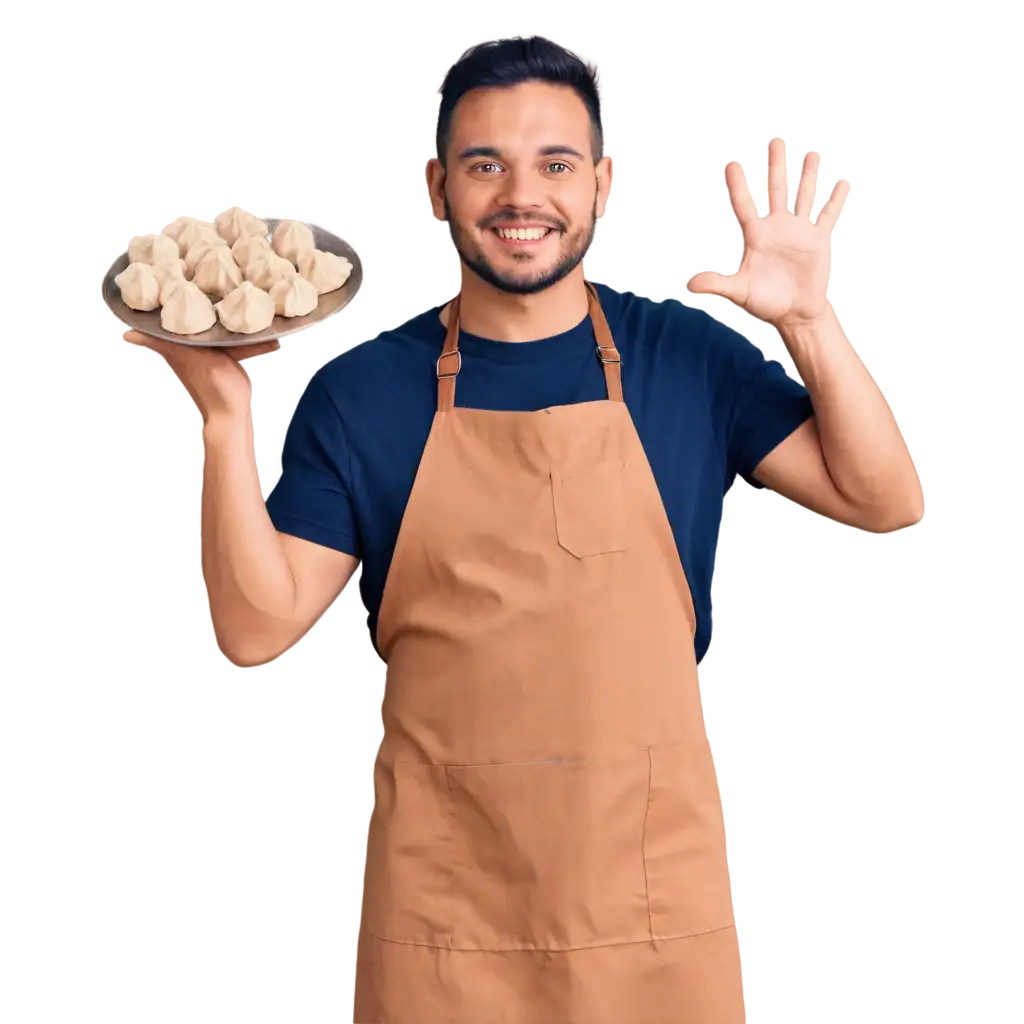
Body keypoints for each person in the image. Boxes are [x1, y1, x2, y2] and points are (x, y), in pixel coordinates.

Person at [123, 36, 922, 1024]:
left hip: (648, 904)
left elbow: (880, 499)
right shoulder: (363, 390)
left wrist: (809, 322)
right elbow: (255, 626)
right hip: (446, 913)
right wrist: (223, 420)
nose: (520, 194)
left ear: (601, 184)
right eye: (484, 163)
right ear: (435, 186)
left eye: (554, 163)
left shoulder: (684, 353)